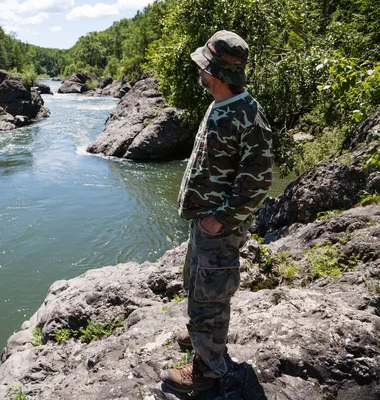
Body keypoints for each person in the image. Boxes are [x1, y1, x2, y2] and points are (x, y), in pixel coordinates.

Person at [160, 30, 273, 392]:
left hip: (219, 227)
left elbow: (257, 184)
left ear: (216, 73)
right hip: (205, 222)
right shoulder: (220, 102)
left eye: (204, 66)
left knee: (211, 294)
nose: (200, 71)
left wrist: (218, 220)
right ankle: (200, 334)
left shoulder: (248, 116)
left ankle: (209, 369)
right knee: (196, 284)